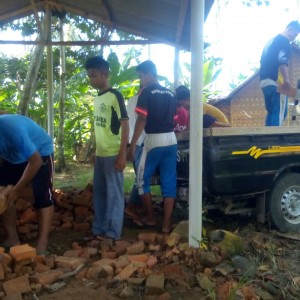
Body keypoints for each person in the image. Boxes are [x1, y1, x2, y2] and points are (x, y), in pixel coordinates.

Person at [127, 60, 177, 234]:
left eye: (141, 77)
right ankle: (166, 224)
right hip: (171, 140)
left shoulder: (146, 92)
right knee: (169, 182)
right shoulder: (171, 93)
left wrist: (132, 145)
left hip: (152, 141)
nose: (141, 81)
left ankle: (150, 217)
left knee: (141, 181)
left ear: (149, 74)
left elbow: (142, 119)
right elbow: (175, 118)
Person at [85, 56, 129, 241]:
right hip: (101, 155)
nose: (91, 79)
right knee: (100, 194)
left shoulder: (115, 96)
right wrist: (95, 151)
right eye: (90, 76)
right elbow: (98, 128)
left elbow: (125, 124)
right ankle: (99, 229)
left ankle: (112, 233)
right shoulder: (97, 99)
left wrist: (122, 154)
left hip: (113, 154)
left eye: (94, 75)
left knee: (115, 195)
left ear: (105, 74)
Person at [0, 114, 54, 254]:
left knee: (42, 198)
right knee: (2, 194)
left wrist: (17, 189)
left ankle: (42, 244)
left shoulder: (11, 128)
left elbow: (35, 161)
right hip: (12, 158)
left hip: (40, 153)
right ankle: (12, 238)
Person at [259, 20, 300, 126]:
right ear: (289, 29)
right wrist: (286, 80)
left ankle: (267, 140)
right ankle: (273, 139)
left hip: (264, 82)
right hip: (276, 83)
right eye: (295, 34)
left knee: (272, 111)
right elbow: (282, 60)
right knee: (280, 112)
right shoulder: (284, 41)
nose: (294, 38)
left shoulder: (271, 41)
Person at [125, 90, 146, 222]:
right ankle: (132, 206)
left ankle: (136, 205)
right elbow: (142, 120)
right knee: (141, 177)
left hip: (133, 141)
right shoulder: (143, 100)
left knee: (139, 175)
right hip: (142, 141)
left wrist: (129, 144)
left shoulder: (131, 101)